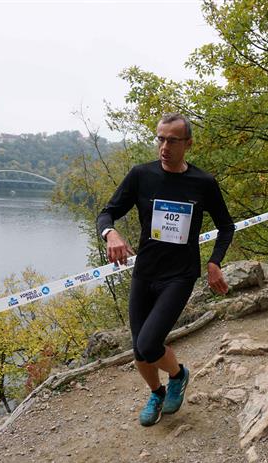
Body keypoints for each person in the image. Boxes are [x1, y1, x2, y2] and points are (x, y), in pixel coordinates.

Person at [97, 113, 235, 426]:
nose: (164, 147)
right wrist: (111, 233)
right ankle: (157, 393)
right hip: (145, 272)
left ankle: (178, 375)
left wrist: (214, 262)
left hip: (180, 275)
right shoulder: (141, 175)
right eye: (160, 139)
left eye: (172, 141)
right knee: (139, 351)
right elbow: (107, 213)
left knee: (149, 344)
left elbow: (226, 226)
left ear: (188, 144)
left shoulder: (203, 183)